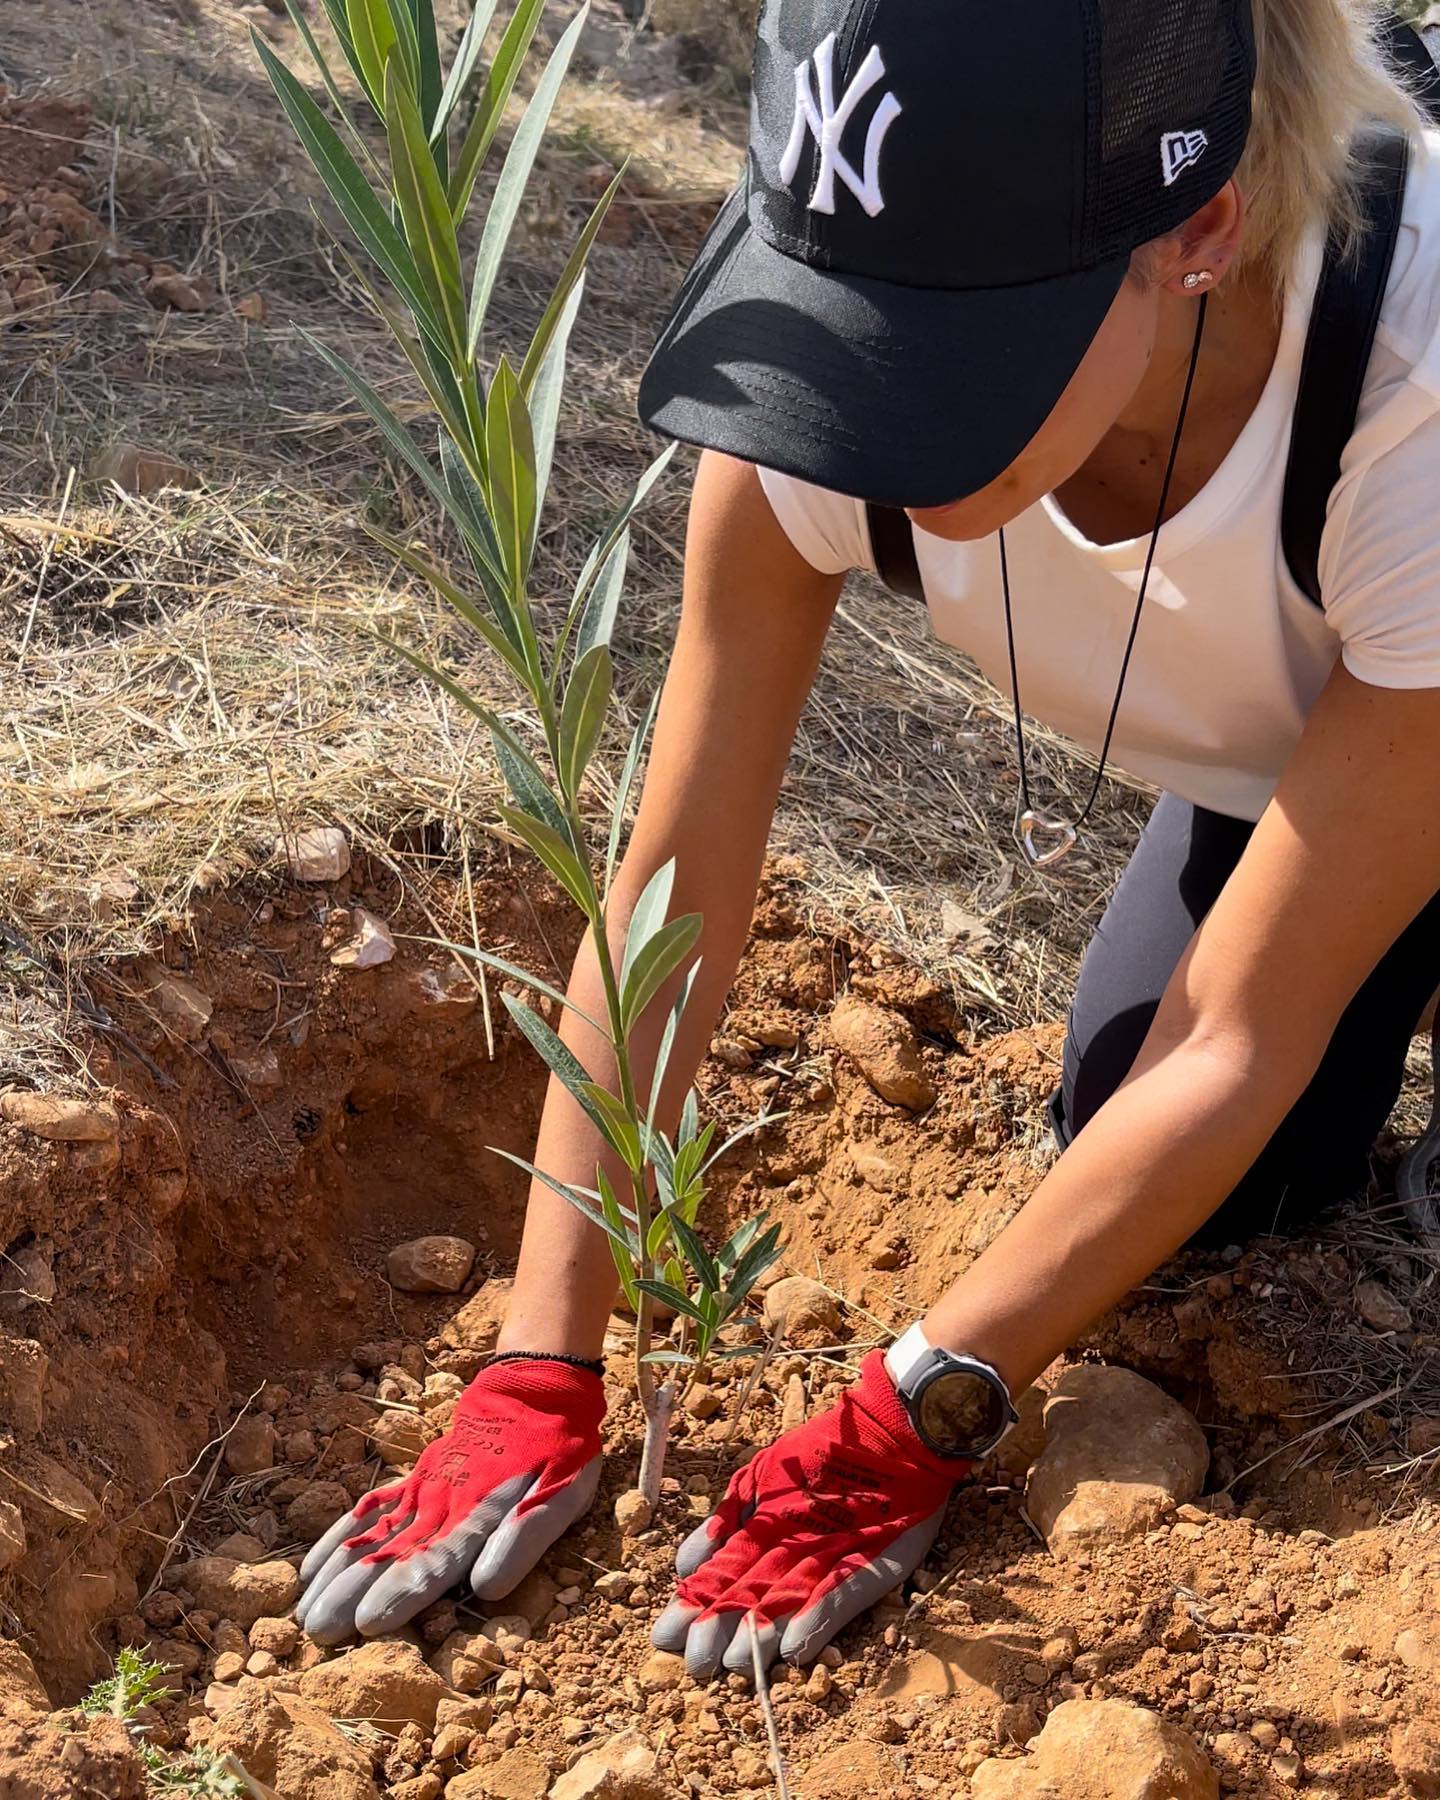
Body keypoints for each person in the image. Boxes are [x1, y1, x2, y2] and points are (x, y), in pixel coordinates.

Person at [295, 0, 1440, 1680]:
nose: (861, 407)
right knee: (1172, 1172)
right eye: (853, 323)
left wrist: (921, 1410)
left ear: (1200, 233)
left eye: (955, 349)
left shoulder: (1411, 395)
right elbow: (675, 881)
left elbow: (1245, 1028)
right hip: (1333, 734)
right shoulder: (843, 304)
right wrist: (540, 1357)